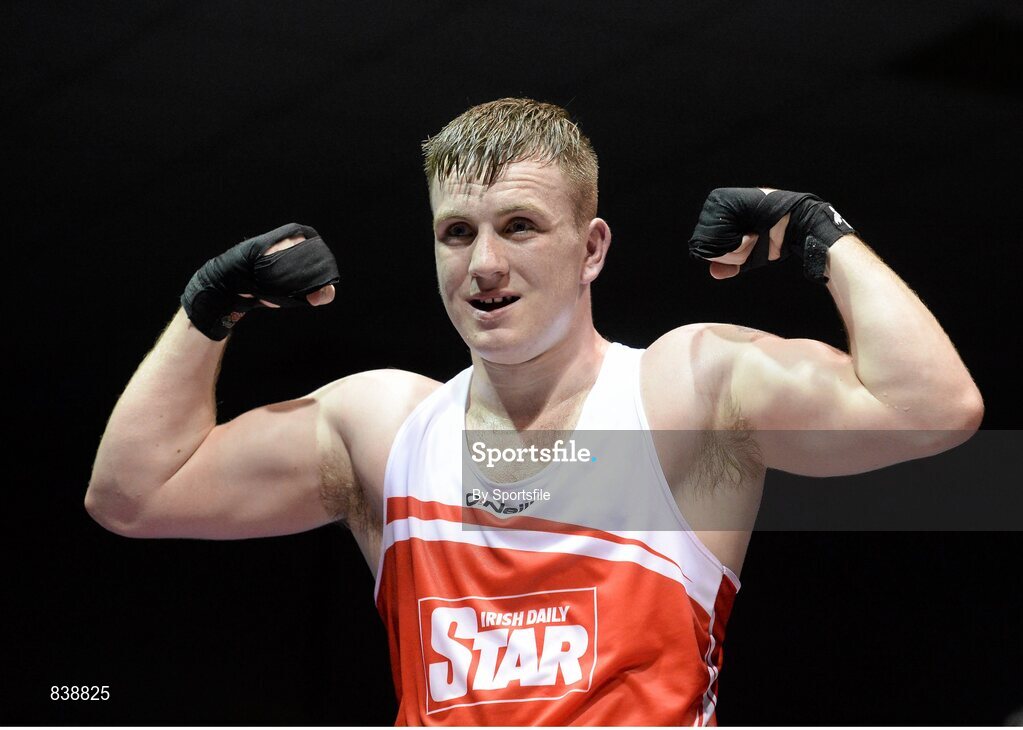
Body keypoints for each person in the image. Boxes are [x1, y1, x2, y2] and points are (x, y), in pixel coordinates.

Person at [86, 98, 983, 725]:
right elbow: (131, 497)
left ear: (590, 247)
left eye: (517, 226)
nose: (482, 263)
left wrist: (823, 235)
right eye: (455, 231)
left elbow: (932, 406)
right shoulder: (384, 429)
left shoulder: (684, 392)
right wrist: (207, 312)